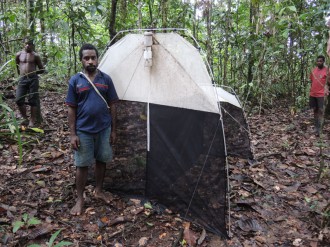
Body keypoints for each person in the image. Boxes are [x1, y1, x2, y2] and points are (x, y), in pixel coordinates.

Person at [66, 44, 119, 215]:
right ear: (81, 60)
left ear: (97, 59)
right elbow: (71, 108)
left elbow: (113, 105)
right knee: (82, 165)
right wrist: (73, 134)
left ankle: (98, 190)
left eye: (93, 57)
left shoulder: (106, 79)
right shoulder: (75, 80)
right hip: (83, 130)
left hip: (103, 128)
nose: (90, 61)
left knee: (102, 160)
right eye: (86, 58)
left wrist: (113, 130)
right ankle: (80, 198)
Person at [15, 38, 44, 127]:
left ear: (32, 45)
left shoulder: (35, 56)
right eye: (26, 43)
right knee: (19, 99)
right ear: (24, 44)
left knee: (33, 100)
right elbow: (17, 66)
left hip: (33, 79)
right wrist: (20, 76)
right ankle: (25, 118)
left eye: (30, 44)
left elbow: (42, 69)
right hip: (22, 79)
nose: (28, 45)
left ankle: (32, 119)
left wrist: (34, 73)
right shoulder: (19, 54)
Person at [309, 55, 329, 135]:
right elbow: (312, 81)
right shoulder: (313, 70)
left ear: (323, 62)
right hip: (313, 93)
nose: (319, 62)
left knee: (321, 111)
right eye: (318, 61)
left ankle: (320, 129)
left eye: (320, 61)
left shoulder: (327, 70)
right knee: (315, 110)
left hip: (322, 94)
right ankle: (316, 127)